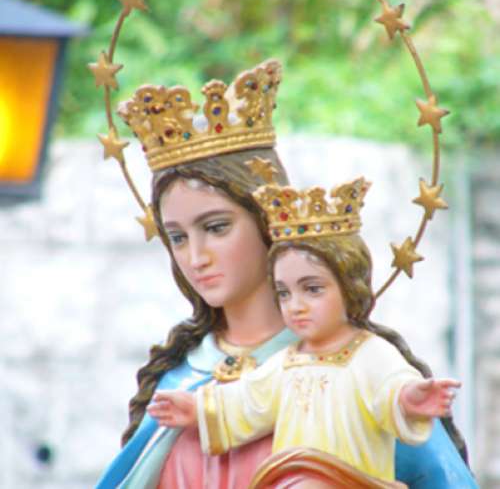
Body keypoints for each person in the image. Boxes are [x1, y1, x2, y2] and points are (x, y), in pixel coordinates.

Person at [95, 60, 476, 488]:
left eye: (216, 228)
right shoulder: (183, 380)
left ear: (266, 223)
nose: (196, 257)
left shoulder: (355, 367)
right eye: (178, 237)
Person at [147, 176, 460, 486]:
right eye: (283, 293)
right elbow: (247, 401)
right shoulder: (288, 361)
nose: (295, 306)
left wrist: (409, 399)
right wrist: (197, 409)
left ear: (349, 288)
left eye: (312, 289)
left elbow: (390, 388)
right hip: (290, 477)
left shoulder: (370, 353)